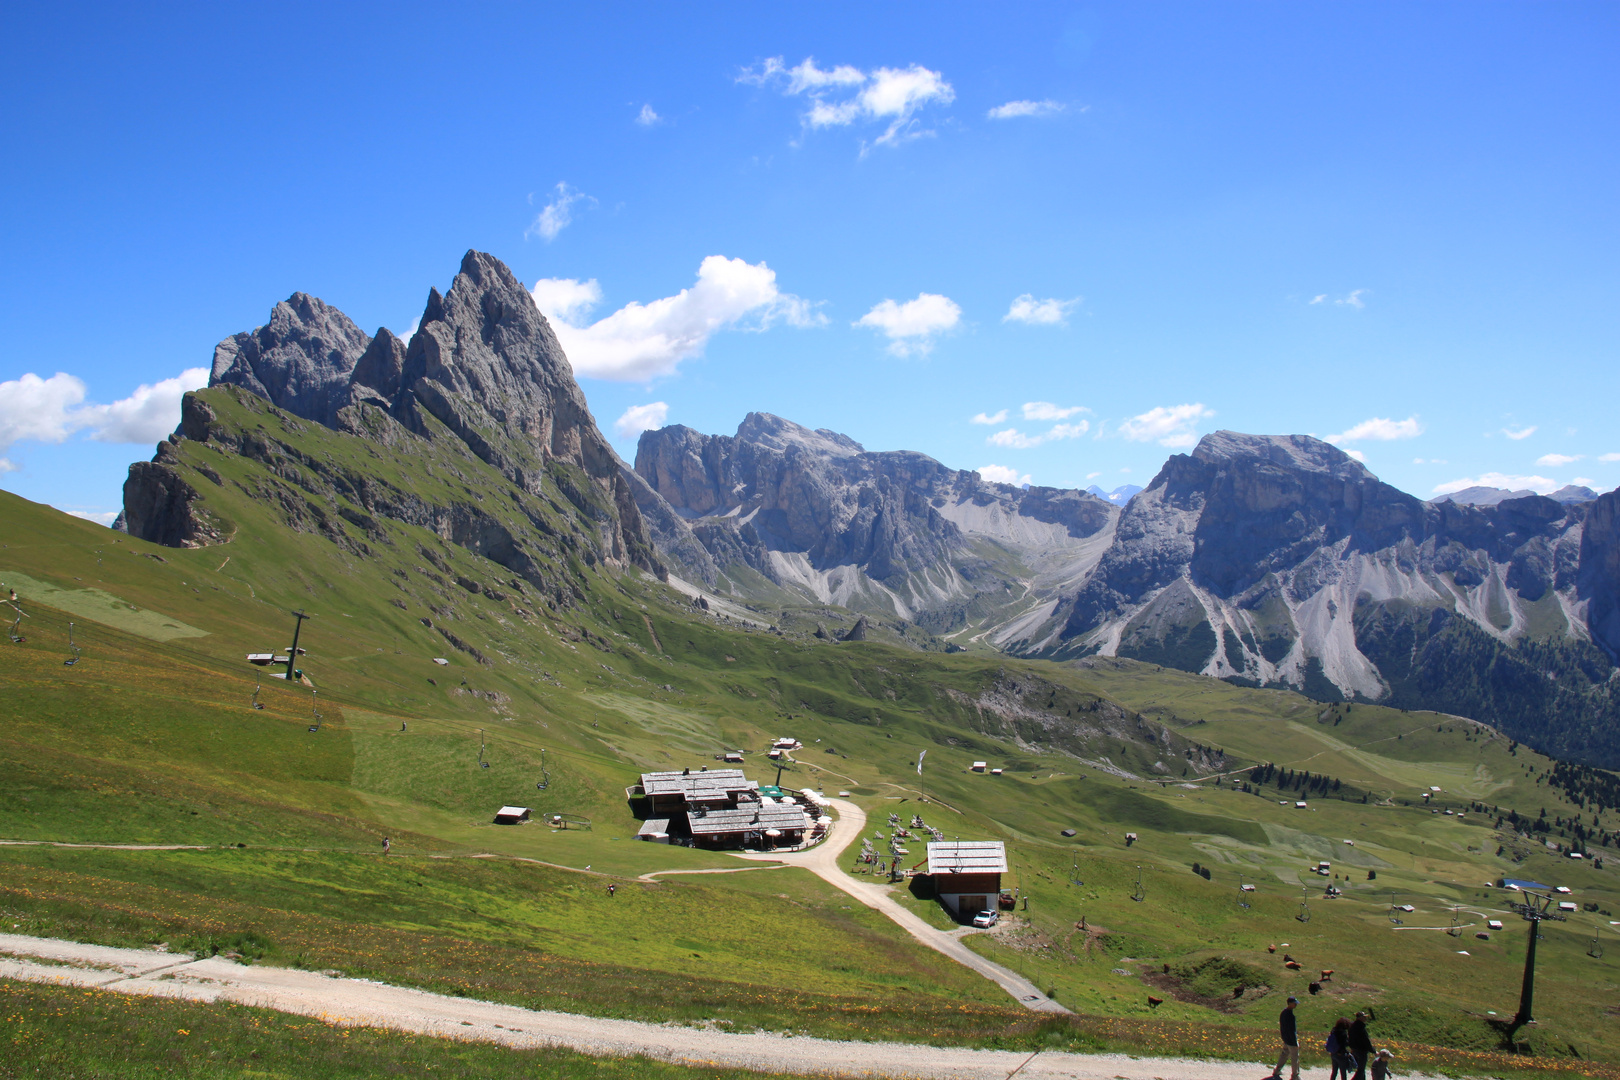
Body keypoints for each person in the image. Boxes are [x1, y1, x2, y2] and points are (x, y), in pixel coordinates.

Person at [1271, 996, 1300, 1080]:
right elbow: (1292, 1030)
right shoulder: (1290, 1015)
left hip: (1286, 1038)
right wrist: (1295, 1042)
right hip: (1291, 1040)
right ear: (1290, 1004)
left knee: (1284, 1054)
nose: (1295, 1005)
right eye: (1294, 1003)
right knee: (1295, 1058)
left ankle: (1277, 1070)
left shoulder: (1283, 1012)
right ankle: (1295, 1075)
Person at [1348, 1011, 1375, 1080]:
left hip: (1354, 1050)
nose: (1365, 1018)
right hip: (1361, 1051)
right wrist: (1372, 1050)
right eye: (1364, 1017)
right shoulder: (1361, 1027)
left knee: (1360, 1070)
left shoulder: (1352, 1026)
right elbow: (1365, 1040)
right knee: (1361, 1070)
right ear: (1360, 1018)